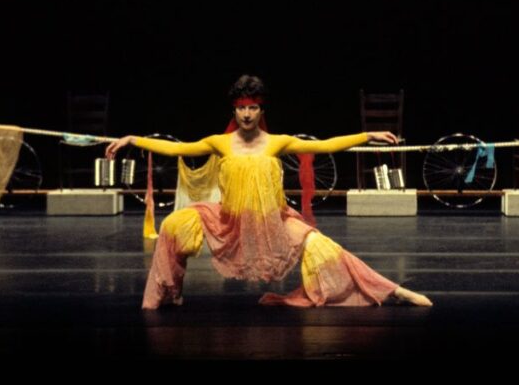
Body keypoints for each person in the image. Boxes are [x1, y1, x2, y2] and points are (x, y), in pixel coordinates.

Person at [105, 74, 432, 309]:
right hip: (227, 221)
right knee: (176, 226)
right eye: (241, 108)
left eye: (253, 107)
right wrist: (134, 139)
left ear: (262, 110)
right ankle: (170, 291)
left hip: (272, 221)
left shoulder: (277, 142)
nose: (247, 114)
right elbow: (179, 149)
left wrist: (367, 135)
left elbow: (325, 145)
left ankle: (393, 291)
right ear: (234, 110)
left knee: (324, 247)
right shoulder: (219, 143)